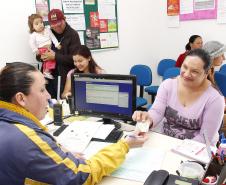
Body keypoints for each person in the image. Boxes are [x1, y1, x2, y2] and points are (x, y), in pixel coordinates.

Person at [0, 62, 148, 185]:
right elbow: (80, 176)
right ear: (21, 98)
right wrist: (124, 145)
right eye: (42, 90)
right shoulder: (27, 139)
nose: (48, 96)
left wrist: (57, 152)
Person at [133, 49, 225, 146]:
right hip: (166, 140)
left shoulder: (215, 99)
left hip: (195, 149)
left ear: (206, 73)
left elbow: (205, 137)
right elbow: (157, 111)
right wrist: (147, 121)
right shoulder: (168, 85)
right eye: (185, 67)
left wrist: (176, 149)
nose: (186, 74)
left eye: (194, 71)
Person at [38, 9, 81, 99]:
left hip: (64, 79)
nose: (57, 28)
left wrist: (55, 56)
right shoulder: (47, 32)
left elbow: (76, 59)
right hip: (47, 78)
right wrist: (41, 55)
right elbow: (38, 56)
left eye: (59, 25)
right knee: (48, 104)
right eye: (53, 26)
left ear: (64, 19)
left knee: (62, 106)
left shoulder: (73, 35)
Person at [28, 13, 61, 79]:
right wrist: (35, 50)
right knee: (50, 60)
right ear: (32, 27)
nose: (40, 25)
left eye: (41, 22)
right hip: (41, 49)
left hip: (49, 48)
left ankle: (45, 73)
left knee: (48, 60)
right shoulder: (33, 35)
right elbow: (31, 43)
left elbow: (53, 37)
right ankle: (47, 72)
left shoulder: (47, 30)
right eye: (37, 24)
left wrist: (57, 44)